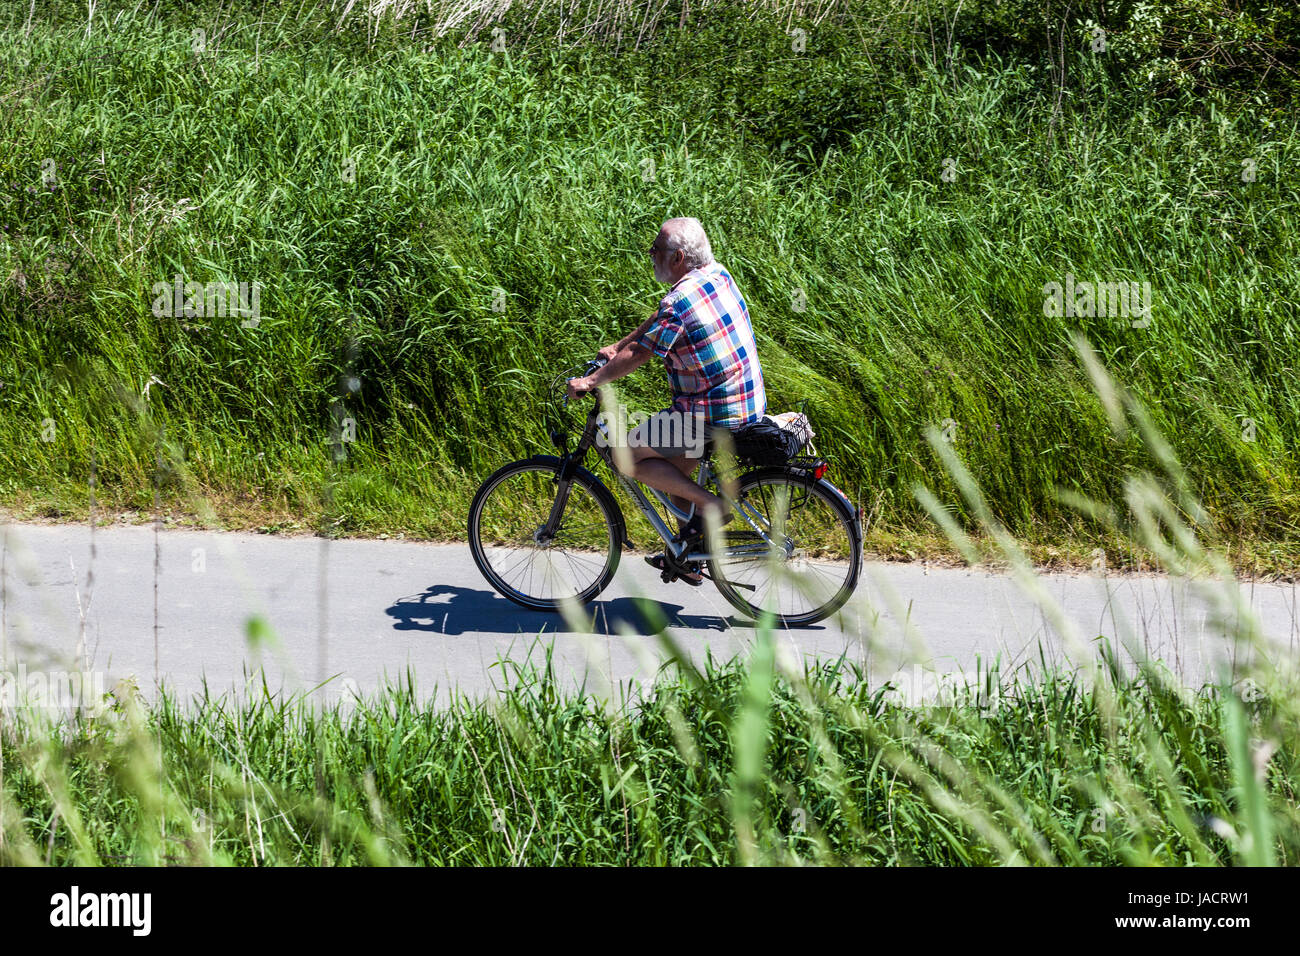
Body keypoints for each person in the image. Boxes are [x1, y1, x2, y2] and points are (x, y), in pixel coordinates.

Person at [566, 217, 766, 584]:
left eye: (656, 250)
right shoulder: (717, 274)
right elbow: (659, 320)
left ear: (677, 258)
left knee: (624, 455)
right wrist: (617, 346)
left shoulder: (678, 301)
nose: (651, 254)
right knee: (673, 470)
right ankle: (690, 555)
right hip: (746, 402)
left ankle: (712, 507)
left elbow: (643, 353)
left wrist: (592, 380)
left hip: (709, 414)